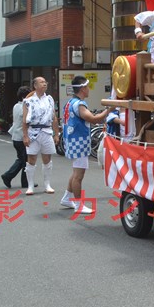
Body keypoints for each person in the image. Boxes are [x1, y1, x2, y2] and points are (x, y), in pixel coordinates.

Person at [60, 76, 113, 214]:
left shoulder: (70, 102)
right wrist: (109, 110)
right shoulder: (79, 104)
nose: (89, 89)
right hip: (78, 141)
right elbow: (94, 119)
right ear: (83, 89)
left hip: (72, 140)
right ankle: (78, 205)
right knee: (78, 175)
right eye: (87, 87)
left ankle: (67, 198)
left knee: (75, 172)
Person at [21, 77, 59, 195]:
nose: (44, 84)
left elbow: (54, 117)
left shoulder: (49, 99)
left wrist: (56, 134)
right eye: (41, 82)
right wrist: (25, 136)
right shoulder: (28, 101)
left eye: (45, 82)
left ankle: (47, 184)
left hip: (47, 131)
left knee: (47, 158)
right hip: (33, 131)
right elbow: (24, 120)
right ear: (35, 85)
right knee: (31, 159)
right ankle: (30, 186)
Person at [0, 86, 31, 189]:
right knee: (25, 161)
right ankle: (12, 177)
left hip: (16, 136)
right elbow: (28, 120)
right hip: (22, 137)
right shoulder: (25, 107)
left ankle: (12, 177)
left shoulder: (16, 106)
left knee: (22, 159)